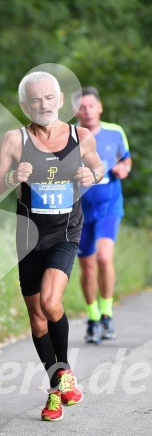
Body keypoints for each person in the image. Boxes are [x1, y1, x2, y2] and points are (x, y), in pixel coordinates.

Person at [0, 71, 104, 421]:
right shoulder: (13, 140)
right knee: (37, 321)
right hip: (28, 239)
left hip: (65, 233)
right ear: (24, 105)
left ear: (61, 100)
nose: (43, 104)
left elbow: (99, 168)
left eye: (49, 97)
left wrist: (91, 175)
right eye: (35, 100)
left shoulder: (81, 137)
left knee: (52, 303)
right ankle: (55, 388)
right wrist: (9, 179)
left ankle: (64, 373)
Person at [73, 87, 132, 344]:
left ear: (100, 107)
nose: (87, 111)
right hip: (79, 211)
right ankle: (93, 317)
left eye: (91, 106)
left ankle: (107, 314)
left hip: (109, 205)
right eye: (82, 107)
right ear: (76, 111)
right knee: (87, 266)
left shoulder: (114, 132)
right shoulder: (68, 136)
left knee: (104, 258)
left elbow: (126, 160)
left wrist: (123, 168)